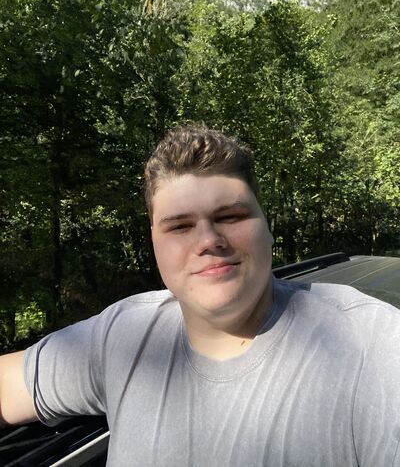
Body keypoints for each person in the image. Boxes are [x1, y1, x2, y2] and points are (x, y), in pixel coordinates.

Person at [1, 123, 400, 466]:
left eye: (230, 216)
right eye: (179, 226)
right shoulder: (121, 336)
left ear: (266, 226)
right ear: (154, 244)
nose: (209, 240)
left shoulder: (371, 345)